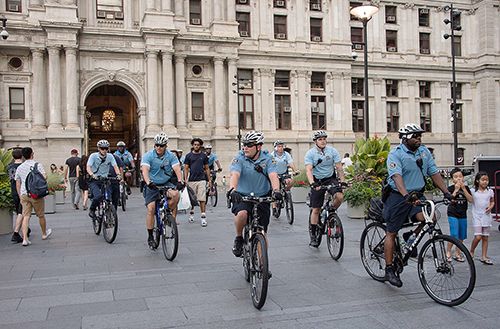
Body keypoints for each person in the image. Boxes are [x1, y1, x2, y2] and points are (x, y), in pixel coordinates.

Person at [383, 123, 454, 287]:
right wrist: (406, 195)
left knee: (430, 218)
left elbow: (434, 173)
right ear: (405, 138)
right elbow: (396, 176)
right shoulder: (396, 154)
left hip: (417, 194)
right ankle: (389, 269)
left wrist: (446, 192)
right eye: (415, 136)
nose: (418, 138)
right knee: (391, 233)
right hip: (398, 196)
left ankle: (411, 236)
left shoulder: (424, 152)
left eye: (419, 136)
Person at [228, 131, 281, 267]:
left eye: (249, 145)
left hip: (262, 197)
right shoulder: (239, 158)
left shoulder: (268, 158)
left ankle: (263, 266)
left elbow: (273, 175)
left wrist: (276, 191)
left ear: (258, 147)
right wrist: (233, 190)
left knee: (261, 232)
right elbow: (234, 174)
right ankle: (239, 237)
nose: (245, 147)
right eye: (244, 145)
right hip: (242, 196)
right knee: (242, 214)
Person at [141, 133, 184, 249]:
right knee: (151, 208)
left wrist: (180, 181)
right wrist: (149, 182)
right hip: (152, 184)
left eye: (161, 145)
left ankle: (168, 213)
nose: (158, 148)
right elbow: (145, 169)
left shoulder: (171, 156)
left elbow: (177, 168)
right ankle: (150, 236)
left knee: (175, 195)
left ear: (166, 146)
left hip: (165, 183)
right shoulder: (148, 155)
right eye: (157, 145)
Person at [304, 130, 347, 247]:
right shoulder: (310, 154)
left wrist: (342, 181)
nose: (323, 142)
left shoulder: (332, 151)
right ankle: (313, 234)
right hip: (317, 180)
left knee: (339, 196)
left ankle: (332, 211)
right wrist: (312, 183)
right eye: (320, 140)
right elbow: (309, 170)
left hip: (330, 178)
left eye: (324, 139)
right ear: (315, 142)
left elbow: (338, 167)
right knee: (316, 209)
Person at [15, 147, 52, 246]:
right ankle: (44, 233)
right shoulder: (37, 165)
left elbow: (17, 183)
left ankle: (25, 239)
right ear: (32, 154)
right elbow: (44, 177)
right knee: (40, 215)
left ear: (22, 156)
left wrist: (20, 195)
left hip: (24, 194)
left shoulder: (20, 167)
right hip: (35, 194)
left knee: (26, 216)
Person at [86, 140, 121, 220]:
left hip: (105, 180)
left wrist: (118, 175)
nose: (104, 150)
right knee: (97, 196)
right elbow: (88, 167)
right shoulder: (93, 156)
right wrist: (92, 175)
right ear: (98, 149)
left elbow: (115, 166)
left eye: (106, 148)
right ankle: (92, 209)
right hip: (95, 180)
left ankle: (108, 216)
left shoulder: (110, 156)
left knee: (109, 198)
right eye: (102, 148)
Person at [446, 167, 473, 262]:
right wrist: (456, 190)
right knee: (454, 235)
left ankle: (456, 253)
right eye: (456, 177)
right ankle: (448, 251)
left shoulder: (466, 188)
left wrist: (464, 189)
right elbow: (449, 201)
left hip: (463, 213)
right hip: (453, 213)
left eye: (460, 176)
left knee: (462, 236)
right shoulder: (450, 188)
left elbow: (470, 200)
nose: (458, 179)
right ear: (452, 179)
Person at [184, 138, 211, 227]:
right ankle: (191, 214)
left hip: (201, 179)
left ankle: (203, 216)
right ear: (193, 145)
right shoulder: (188, 156)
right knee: (192, 199)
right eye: (195, 144)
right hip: (192, 180)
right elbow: (186, 168)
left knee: (202, 198)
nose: (196, 146)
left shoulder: (203, 156)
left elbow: (207, 168)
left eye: (198, 145)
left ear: (200, 146)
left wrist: (209, 180)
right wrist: (185, 179)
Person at [469, 171, 495, 265]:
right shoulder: (473, 192)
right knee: (478, 236)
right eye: (483, 180)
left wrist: (491, 207)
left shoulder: (490, 191)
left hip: (486, 216)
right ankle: (471, 251)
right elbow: (470, 200)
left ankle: (484, 256)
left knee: (485, 237)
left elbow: (492, 201)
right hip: (477, 216)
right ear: (477, 180)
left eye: (487, 180)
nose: (485, 182)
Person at [271, 140, 300, 217]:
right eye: (279, 146)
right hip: (275, 174)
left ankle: (287, 193)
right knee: (274, 190)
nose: (281, 148)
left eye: (282, 146)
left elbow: (290, 163)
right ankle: (274, 208)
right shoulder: (272, 155)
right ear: (275, 148)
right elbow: (270, 165)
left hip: (284, 173)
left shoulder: (286, 154)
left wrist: (295, 170)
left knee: (289, 181)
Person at [8, 149, 27, 243]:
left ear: (12, 157)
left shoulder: (9, 167)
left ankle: (26, 228)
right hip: (21, 191)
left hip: (13, 192)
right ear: (22, 156)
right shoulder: (22, 167)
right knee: (21, 212)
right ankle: (16, 233)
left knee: (20, 211)